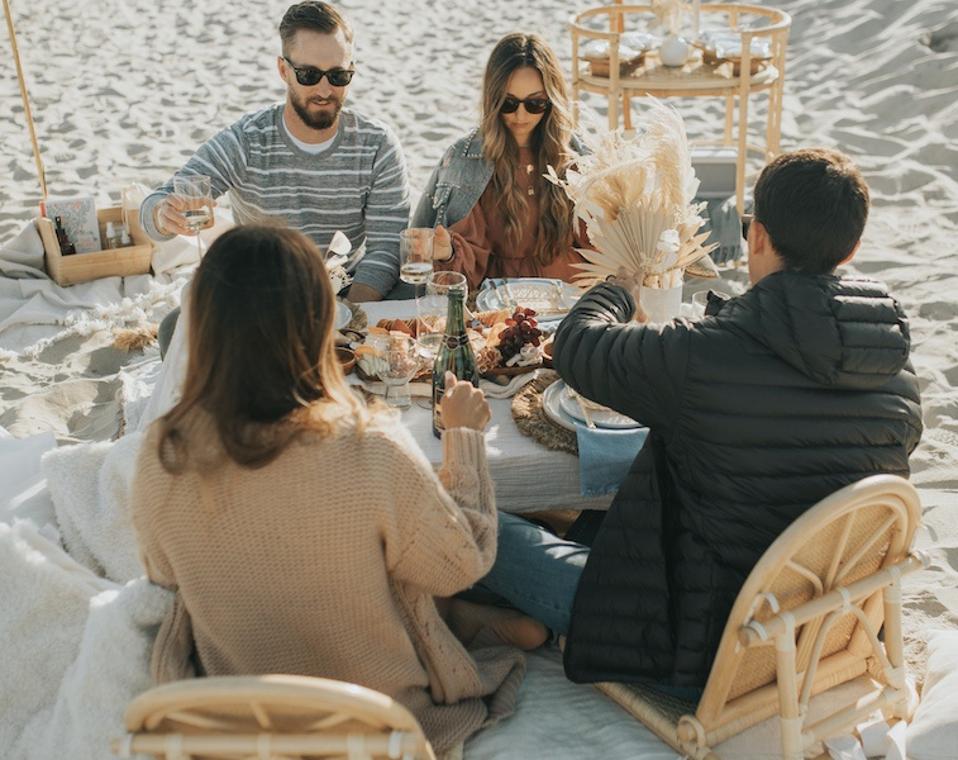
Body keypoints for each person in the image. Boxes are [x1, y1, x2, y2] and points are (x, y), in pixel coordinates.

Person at [473, 148, 923, 693]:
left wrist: (618, 287)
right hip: (828, 625)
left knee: (475, 520)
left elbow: (577, 346)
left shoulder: (709, 356)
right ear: (851, 248)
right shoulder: (895, 369)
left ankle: (467, 611)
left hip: (702, 642)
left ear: (756, 238)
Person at [131, 225, 545, 754]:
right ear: (318, 322)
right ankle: (462, 623)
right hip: (371, 725)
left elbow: (163, 576)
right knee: (393, 558)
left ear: (203, 327)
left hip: (240, 725)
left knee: (332, 562)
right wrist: (464, 437)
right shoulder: (367, 447)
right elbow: (462, 563)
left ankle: (465, 623)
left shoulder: (159, 456)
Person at [141, 1, 409, 304]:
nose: (324, 90)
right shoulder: (246, 141)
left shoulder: (378, 145)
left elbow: (387, 247)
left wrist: (349, 316)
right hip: (263, 296)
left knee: (419, 290)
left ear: (351, 71)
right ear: (284, 70)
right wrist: (165, 215)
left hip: (347, 290)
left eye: (337, 76)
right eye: (308, 75)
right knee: (174, 328)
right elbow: (154, 204)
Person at [412, 33, 589, 292]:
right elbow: (462, 270)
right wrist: (448, 252)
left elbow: (601, 251)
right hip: (494, 304)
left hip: (567, 300)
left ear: (552, 100)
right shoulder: (468, 159)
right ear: (492, 100)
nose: (520, 115)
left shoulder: (577, 156)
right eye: (508, 103)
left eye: (535, 103)